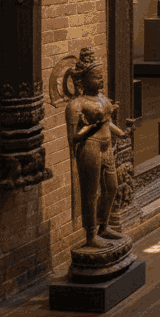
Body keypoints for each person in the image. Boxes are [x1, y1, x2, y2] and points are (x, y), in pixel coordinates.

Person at [64, 48, 128, 249]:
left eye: (101, 77)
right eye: (96, 77)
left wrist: (122, 133)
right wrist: (93, 125)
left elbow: (107, 122)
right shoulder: (76, 105)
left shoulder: (102, 98)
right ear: (83, 79)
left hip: (106, 146)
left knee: (111, 187)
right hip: (89, 148)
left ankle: (104, 225)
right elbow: (74, 137)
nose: (101, 81)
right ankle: (91, 234)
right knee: (90, 192)